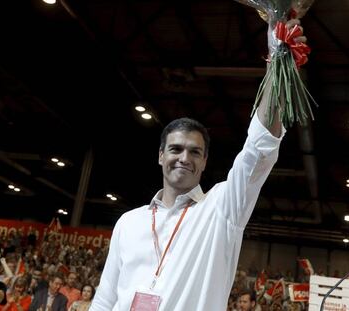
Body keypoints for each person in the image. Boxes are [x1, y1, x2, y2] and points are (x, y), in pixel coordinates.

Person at [90, 18, 306, 311]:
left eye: (195, 152)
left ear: (204, 161)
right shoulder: (129, 222)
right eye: (176, 149)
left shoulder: (221, 210)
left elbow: (259, 149)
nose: (184, 158)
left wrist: (277, 55)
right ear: (160, 155)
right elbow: (104, 301)